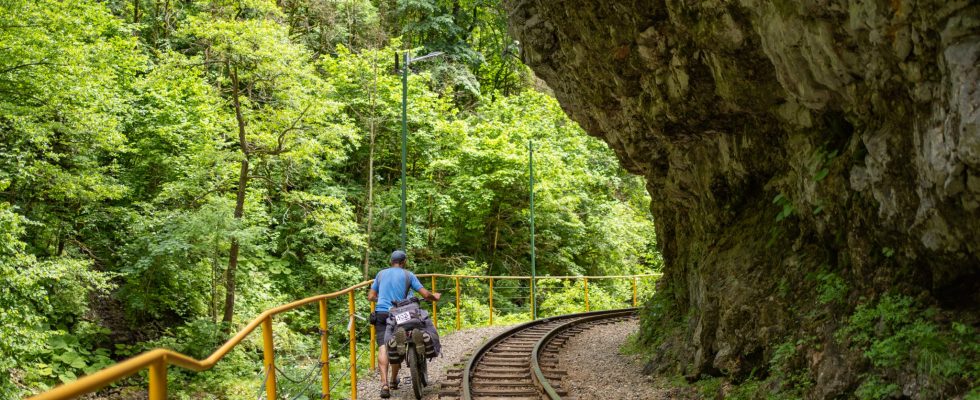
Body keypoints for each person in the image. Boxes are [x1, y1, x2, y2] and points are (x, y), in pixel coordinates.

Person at [367, 250, 441, 398]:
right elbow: (425, 294)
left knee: (384, 346)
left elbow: (371, 296)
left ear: (391, 261)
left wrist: (382, 300)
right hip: (399, 314)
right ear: (404, 262)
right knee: (396, 343)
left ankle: (385, 384)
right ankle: (394, 380)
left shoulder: (380, 274)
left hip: (381, 313)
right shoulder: (408, 275)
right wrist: (435, 297)